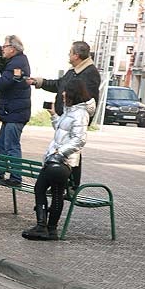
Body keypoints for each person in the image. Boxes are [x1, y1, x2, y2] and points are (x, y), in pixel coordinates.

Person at [22, 79, 94, 241]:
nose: (62, 93)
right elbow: (61, 131)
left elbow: (79, 140)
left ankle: (42, 226)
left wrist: (59, 153)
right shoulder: (71, 111)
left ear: (73, 92)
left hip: (62, 161)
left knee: (42, 189)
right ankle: (50, 230)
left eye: (65, 90)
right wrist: (54, 115)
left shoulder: (80, 114)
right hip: (57, 159)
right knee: (55, 193)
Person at [27, 41, 100, 191]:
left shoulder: (90, 73)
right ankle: (60, 184)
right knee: (61, 148)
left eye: (70, 52)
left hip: (75, 119)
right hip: (65, 117)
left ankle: (71, 186)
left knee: (72, 151)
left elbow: (86, 99)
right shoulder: (74, 70)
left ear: (77, 55)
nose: (68, 55)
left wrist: (77, 119)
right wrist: (39, 82)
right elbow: (59, 84)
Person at [0, 35, 32, 186]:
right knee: (2, 143)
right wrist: (0, 60)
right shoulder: (16, 61)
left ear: (13, 49)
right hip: (11, 112)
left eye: (4, 47)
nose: (2, 49)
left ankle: (16, 178)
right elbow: (6, 76)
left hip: (16, 114)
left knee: (11, 145)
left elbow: (2, 83)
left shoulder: (18, 63)